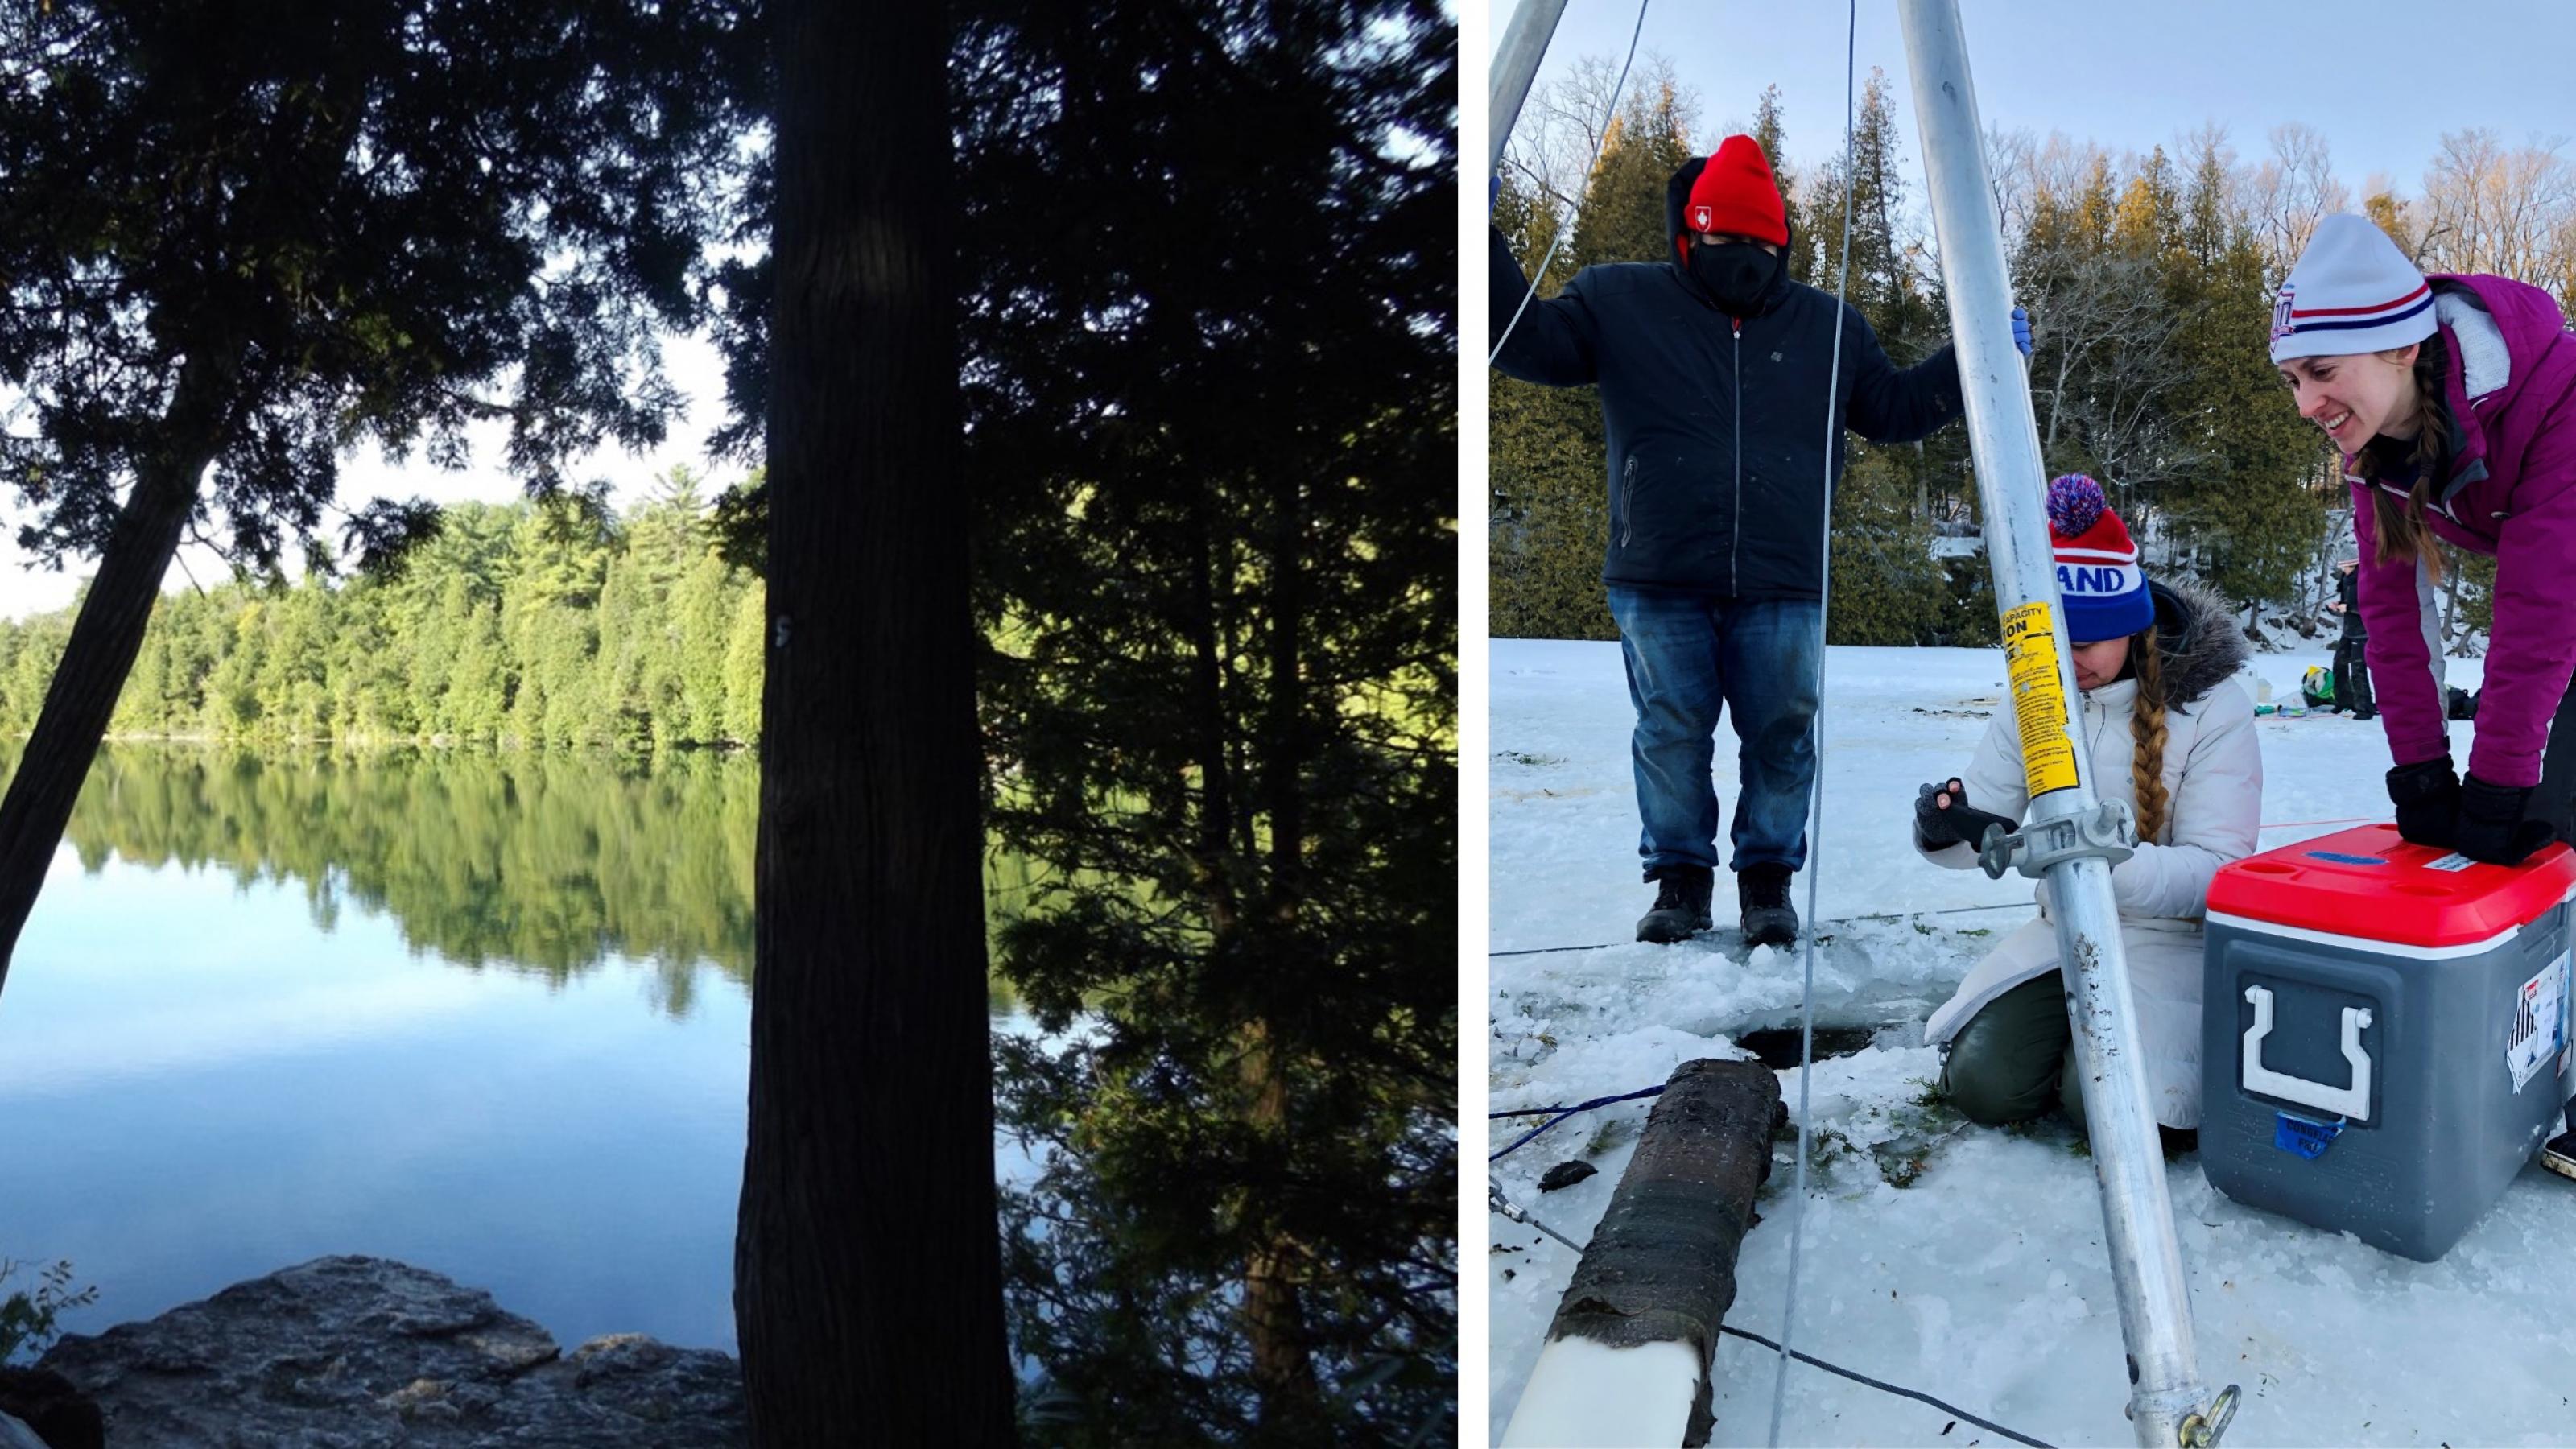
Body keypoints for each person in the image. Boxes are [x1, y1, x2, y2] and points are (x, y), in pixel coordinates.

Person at [1490, 134, 2021, 949]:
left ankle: (1766, 880)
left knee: (1781, 734)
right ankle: (1679, 881)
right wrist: (1478, 243)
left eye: (1761, 248)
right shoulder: (1617, 300)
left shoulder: (1827, 325)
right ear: (1687, 236)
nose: (1743, 260)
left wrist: (1976, 360)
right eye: (1724, 243)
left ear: (1783, 245)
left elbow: (1895, 409)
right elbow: (1522, 344)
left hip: (1782, 575)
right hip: (1657, 569)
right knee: (1670, 734)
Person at [2271, 213, 2576, 1178]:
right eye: (2290, 379)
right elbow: (2392, 613)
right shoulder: (2379, 455)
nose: (2304, 401)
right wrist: (2419, 773)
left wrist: (2492, 784)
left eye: (2321, 371)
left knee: (2549, 810)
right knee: (2528, 841)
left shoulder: (2554, 393)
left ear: (2401, 343)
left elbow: (2537, 608)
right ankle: (2508, 1057)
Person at [1913, 477, 2258, 1135]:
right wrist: (1943, 828)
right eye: (2056, 643)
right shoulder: (2036, 701)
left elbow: (2220, 872)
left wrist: (2106, 865)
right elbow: (1984, 835)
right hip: (2062, 933)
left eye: (2088, 641)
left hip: (2172, 942)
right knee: (1984, 1088)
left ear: (2132, 628)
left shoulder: (2214, 707)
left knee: (2100, 1100)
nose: (2072, 662)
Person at [2327, 557, 2373, 720]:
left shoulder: (2365, 579)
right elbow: (2347, 603)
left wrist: (2349, 608)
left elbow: (2370, 607)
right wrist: (2338, 606)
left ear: (2352, 564)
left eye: (2344, 566)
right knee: (2339, 662)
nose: (2343, 570)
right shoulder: (2346, 580)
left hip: (2362, 632)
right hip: (2348, 630)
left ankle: (2364, 709)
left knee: (2358, 671)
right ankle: (2344, 701)